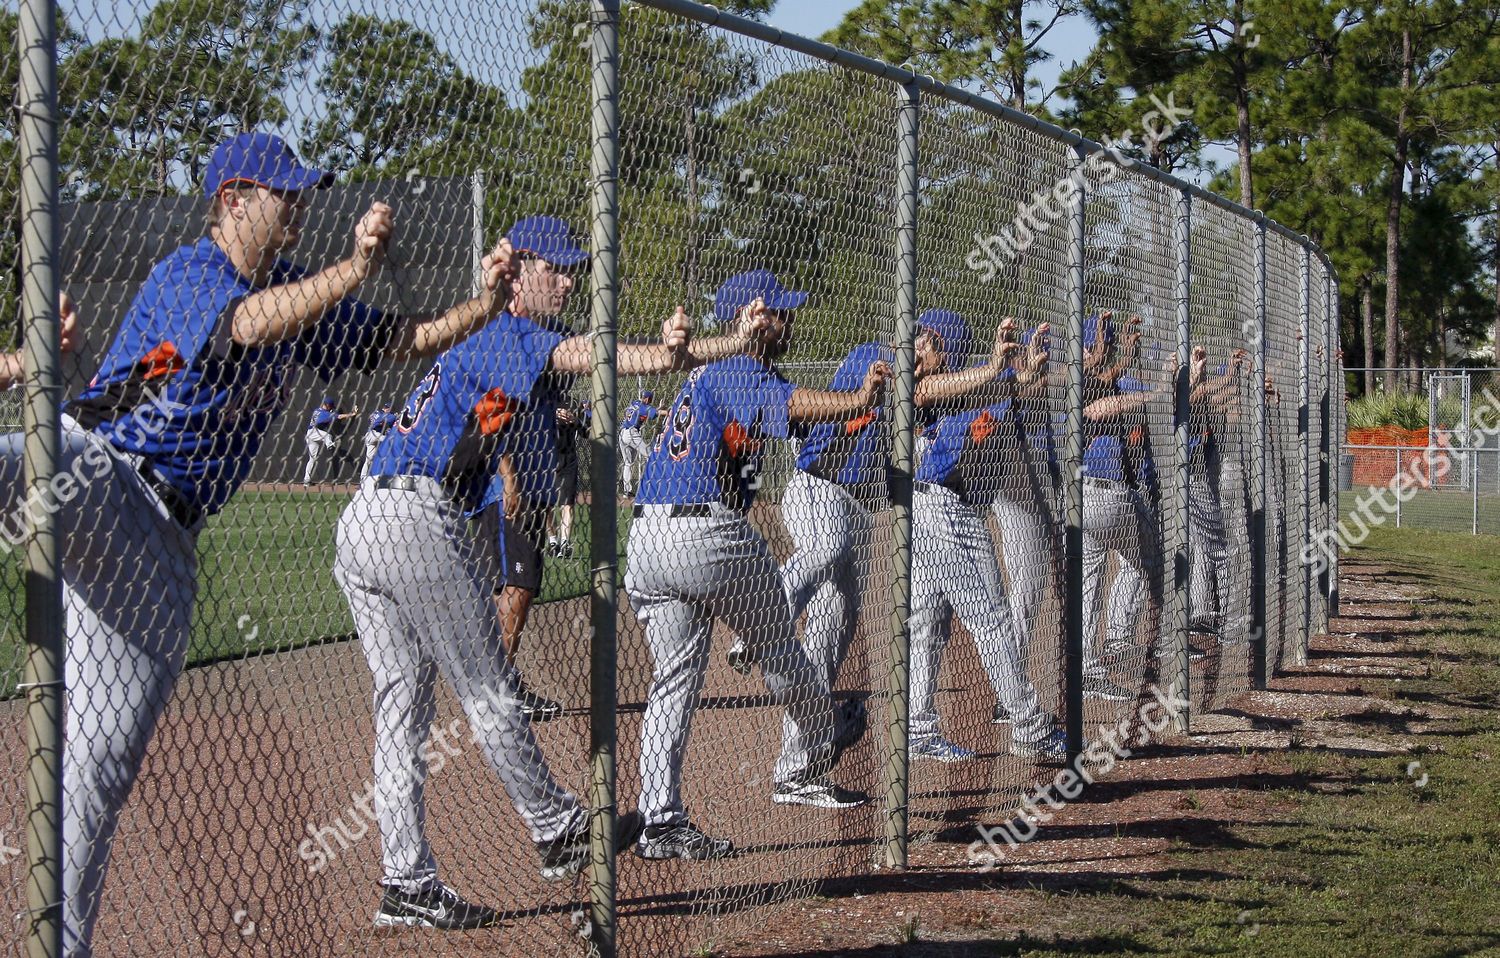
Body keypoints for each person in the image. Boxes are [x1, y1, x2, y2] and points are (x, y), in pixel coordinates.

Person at [36, 130, 522, 957]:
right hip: (105, 474)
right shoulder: (191, 270)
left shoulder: (299, 288)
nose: (299, 204)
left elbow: (391, 342)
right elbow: (246, 327)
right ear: (233, 200)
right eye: (283, 192)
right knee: (27, 459)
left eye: (302, 191)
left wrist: (488, 303)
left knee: (96, 772)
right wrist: (356, 268)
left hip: (164, 552)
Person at [337, 216, 767, 922]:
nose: (569, 281)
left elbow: (603, 364)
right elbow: (595, 355)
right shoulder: (512, 332)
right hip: (415, 517)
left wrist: (714, 346)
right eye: (557, 268)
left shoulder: (498, 339)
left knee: (403, 710)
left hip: (366, 522)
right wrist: (670, 352)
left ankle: (406, 882)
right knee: (488, 687)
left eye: (573, 269)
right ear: (520, 273)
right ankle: (556, 827)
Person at [624, 269, 890, 861]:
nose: (789, 320)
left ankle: (660, 820)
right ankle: (823, 734)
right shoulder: (740, 368)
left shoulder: (716, 371)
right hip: (707, 536)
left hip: (646, 539)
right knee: (780, 648)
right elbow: (794, 404)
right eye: (779, 311)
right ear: (749, 317)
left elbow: (792, 414)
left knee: (674, 681)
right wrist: (858, 400)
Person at [725, 311, 1036, 746]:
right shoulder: (874, 359)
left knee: (833, 628)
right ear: (926, 340)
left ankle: (803, 755)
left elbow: (951, 398)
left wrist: (1017, 380)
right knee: (826, 548)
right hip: (816, 486)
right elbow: (924, 390)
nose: (936, 363)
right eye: (935, 351)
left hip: (856, 507)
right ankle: (760, 624)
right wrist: (989, 370)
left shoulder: (919, 394)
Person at [906, 313, 1067, 761]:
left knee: (928, 624)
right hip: (941, 507)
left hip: (945, 508)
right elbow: (935, 390)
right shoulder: (943, 386)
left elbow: (1016, 391)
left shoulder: (975, 387)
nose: (918, 346)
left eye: (928, 339)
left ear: (950, 348)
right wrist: (1002, 368)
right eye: (917, 337)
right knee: (990, 619)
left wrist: (1027, 371)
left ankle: (918, 726)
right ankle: (1030, 725)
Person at [546, 397, 588, 558]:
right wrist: (553, 414)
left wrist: (575, 420)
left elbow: (587, 431)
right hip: (548, 460)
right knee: (546, 506)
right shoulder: (546, 401)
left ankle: (564, 544)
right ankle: (552, 541)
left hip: (568, 460)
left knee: (568, 504)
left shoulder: (574, 403)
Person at [303, 395, 358, 485]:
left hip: (310, 434)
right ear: (327, 405)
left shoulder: (317, 410)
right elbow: (339, 416)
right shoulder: (325, 413)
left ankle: (306, 480)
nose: (332, 408)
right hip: (314, 432)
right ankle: (330, 446)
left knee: (312, 459)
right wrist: (351, 414)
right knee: (327, 435)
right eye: (331, 407)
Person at [618, 387, 659, 495]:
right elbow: (655, 414)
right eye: (650, 399)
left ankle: (627, 490)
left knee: (628, 463)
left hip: (622, 433)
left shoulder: (634, 403)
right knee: (650, 455)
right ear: (646, 398)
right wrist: (666, 410)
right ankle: (651, 486)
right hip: (632, 433)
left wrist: (657, 409)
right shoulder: (644, 407)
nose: (650, 401)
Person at [361, 401, 397, 479]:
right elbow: (390, 418)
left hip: (370, 436)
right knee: (389, 440)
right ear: (387, 408)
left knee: (368, 460)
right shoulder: (382, 414)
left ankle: (362, 479)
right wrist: (396, 416)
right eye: (389, 409)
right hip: (373, 434)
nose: (390, 410)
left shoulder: (376, 412)